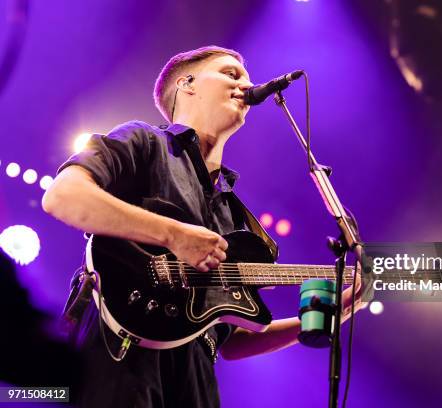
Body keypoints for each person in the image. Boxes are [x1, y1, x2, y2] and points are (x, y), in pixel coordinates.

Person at [42, 45, 363, 407]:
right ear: (187, 83)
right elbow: (63, 197)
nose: (247, 84)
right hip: (120, 352)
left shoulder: (235, 214)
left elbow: (234, 341)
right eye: (231, 73)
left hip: (195, 377)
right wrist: (173, 234)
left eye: (245, 77)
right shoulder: (145, 142)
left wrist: (342, 306)